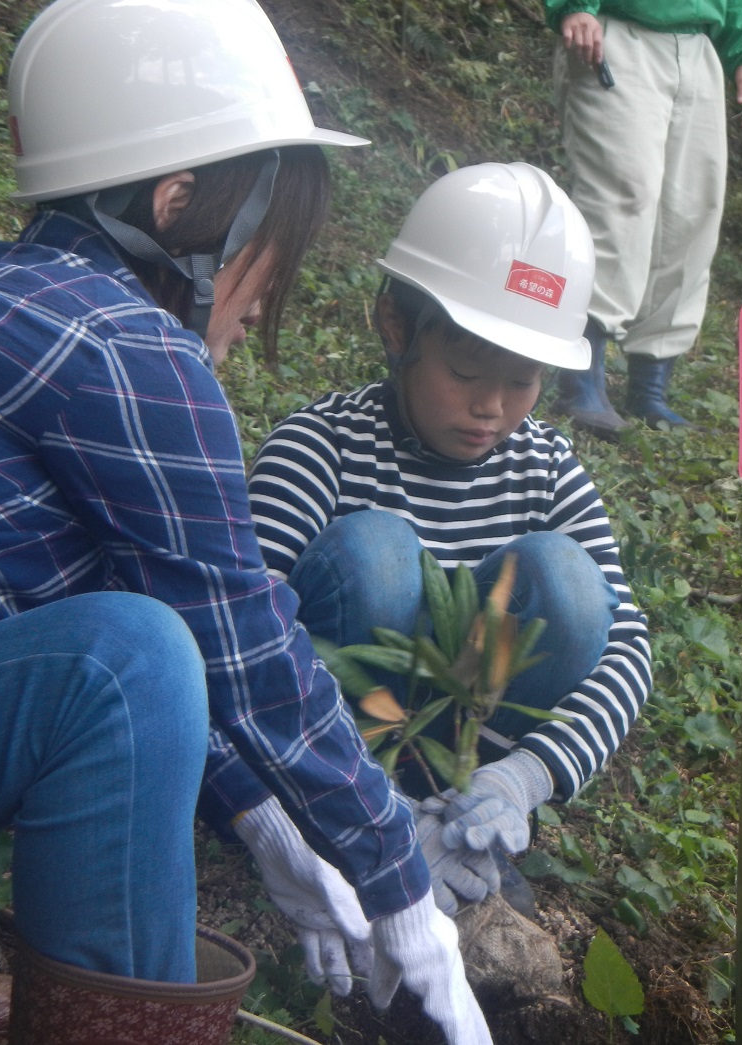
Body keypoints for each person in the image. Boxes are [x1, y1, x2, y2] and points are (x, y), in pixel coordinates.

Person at [0, 0, 490, 1045]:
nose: (263, 295)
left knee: (118, 632)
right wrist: (403, 888)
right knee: (124, 658)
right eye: (264, 246)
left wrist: (260, 815)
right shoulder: (122, 341)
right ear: (177, 206)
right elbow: (236, 642)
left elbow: (60, 582)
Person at [245, 162, 653, 917]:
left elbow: (627, 646)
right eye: (465, 370)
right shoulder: (320, 446)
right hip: (343, 755)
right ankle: (366, 814)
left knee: (568, 581)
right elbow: (245, 628)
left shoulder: (548, 466)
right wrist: (359, 797)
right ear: (396, 327)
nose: (491, 407)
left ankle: (467, 824)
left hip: (478, 773)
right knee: (378, 556)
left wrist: (523, 778)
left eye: (524, 381)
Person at [534, 0, 742, 436]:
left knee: (693, 211)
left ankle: (650, 383)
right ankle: (580, 373)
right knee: (622, 197)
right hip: (618, 32)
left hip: (698, 49)